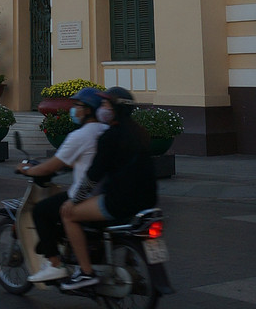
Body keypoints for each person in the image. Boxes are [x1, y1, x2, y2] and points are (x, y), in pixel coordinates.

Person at [59, 87, 158, 292]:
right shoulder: (140, 133)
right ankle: (129, 261)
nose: (102, 109)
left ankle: (86, 272)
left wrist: (74, 200)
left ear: (116, 109)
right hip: (149, 201)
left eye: (106, 105)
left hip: (119, 201)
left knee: (68, 214)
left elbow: (93, 175)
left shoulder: (110, 137)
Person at [15, 88, 104, 284]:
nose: (74, 110)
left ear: (88, 110)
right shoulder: (105, 131)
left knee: (41, 211)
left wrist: (28, 170)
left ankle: (55, 265)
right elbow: (84, 160)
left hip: (85, 195)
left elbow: (53, 165)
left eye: (77, 106)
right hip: (105, 193)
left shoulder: (80, 136)